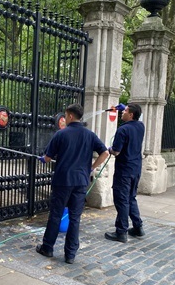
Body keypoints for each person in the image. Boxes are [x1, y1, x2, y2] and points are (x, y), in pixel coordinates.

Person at [36, 103, 109, 264]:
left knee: (56, 214)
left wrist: (43, 159)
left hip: (63, 180)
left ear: (69, 116)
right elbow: (105, 152)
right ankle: (70, 254)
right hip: (81, 181)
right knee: (75, 217)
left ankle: (47, 247)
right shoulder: (90, 135)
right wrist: (92, 167)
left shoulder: (61, 134)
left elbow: (47, 157)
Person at [105, 103, 145, 243]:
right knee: (131, 198)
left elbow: (116, 151)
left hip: (124, 170)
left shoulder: (122, 130)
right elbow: (136, 119)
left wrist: (108, 149)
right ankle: (138, 227)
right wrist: (125, 109)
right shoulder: (140, 126)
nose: (122, 113)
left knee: (121, 200)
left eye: (125, 111)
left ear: (131, 114)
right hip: (136, 168)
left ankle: (121, 232)